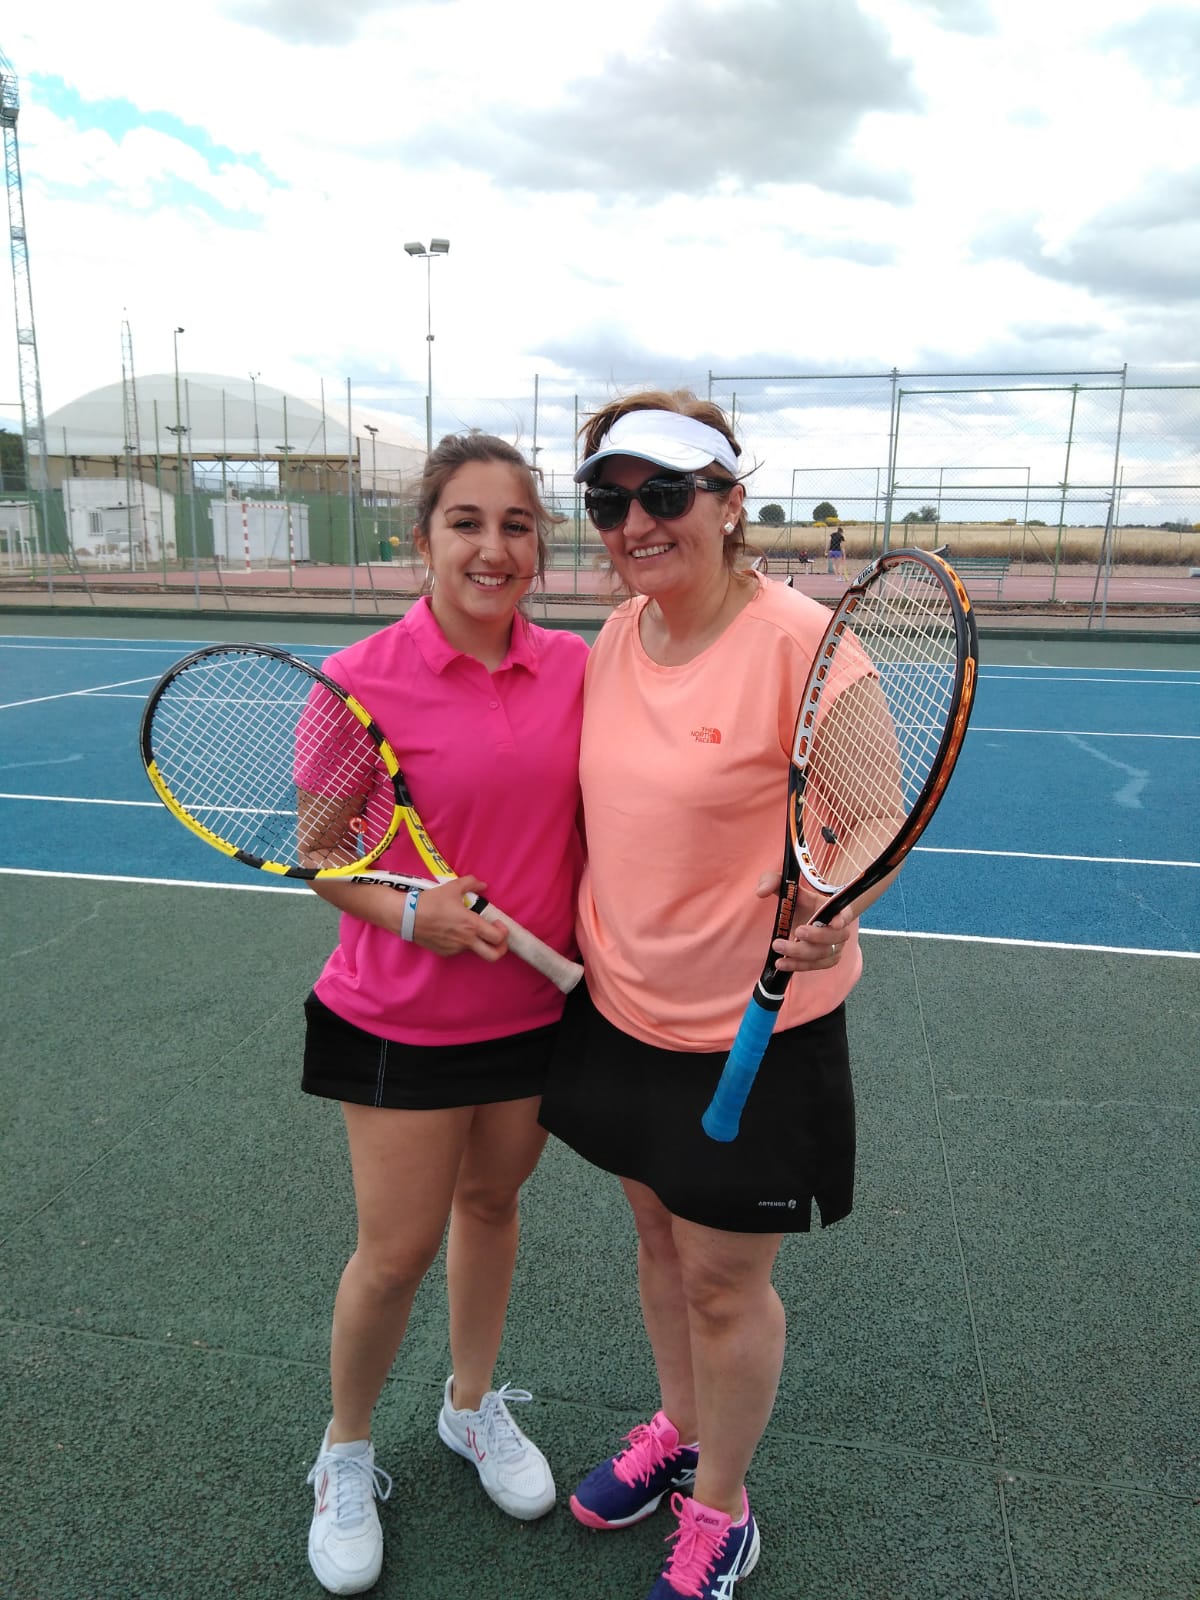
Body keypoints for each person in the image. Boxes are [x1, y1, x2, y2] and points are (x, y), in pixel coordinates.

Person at [539, 393, 903, 1600]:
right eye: (609, 502)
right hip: (622, 1013)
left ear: (730, 502)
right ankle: (682, 1428)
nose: (635, 522)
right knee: (657, 1236)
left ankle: (723, 1508)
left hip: (755, 1029)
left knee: (724, 1280)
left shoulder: (808, 644)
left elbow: (872, 824)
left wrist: (839, 904)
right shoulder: (616, 636)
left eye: (664, 493)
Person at [301, 432, 587, 1595]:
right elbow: (322, 854)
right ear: (420, 540)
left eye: (516, 525)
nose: (492, 547)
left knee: (492, 1204)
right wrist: (414, 913)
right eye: (466, 522)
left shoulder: (577, 669)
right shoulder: (355, 679)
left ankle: (470, 1406)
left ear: (540, 548)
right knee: (395, 1251)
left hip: (529, 1014)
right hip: (397, 1018)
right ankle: (344, 1449)